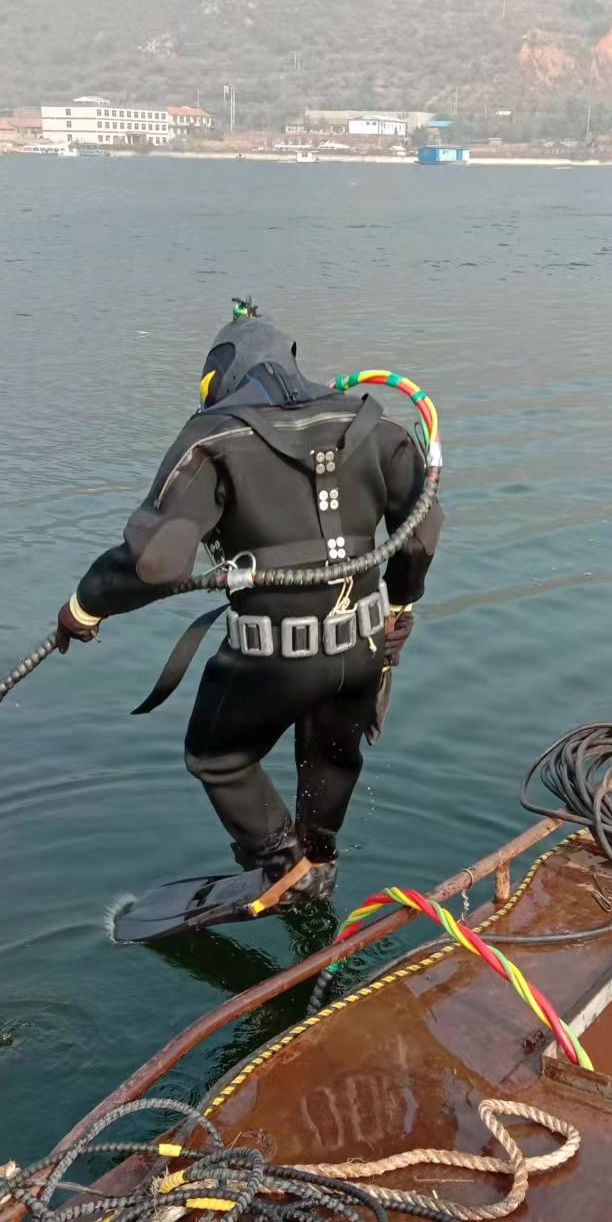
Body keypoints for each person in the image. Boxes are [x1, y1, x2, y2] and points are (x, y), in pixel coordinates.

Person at [55, 303, 442, 909]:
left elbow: (155, 562)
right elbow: (420, 531)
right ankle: (318, 858)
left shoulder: (213, 438)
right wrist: (402, 604)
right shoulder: (375, 423)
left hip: (272, 659)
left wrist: (84, 606)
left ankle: (285, 866)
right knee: (332, 753)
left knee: (217, 756)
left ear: (219, 379)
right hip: (364, 650)